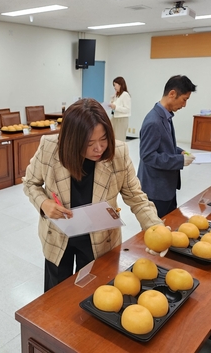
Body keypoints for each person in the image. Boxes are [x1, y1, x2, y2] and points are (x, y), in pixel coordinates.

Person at [23, 98, 163, 292]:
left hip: (100, 240)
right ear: (72, 141)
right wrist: (44, 203)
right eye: (89, 143)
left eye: (104, 138)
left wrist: (154, 227)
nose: (99, 148)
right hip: (58, 236)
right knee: (56, 298)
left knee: (94, 295)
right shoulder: (50, 147)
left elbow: (136, 197)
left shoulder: (118, 153)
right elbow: (30, 182)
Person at [137, 75, 197, 218]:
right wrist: (179, 161)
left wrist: (180, 152)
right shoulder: (154, 121)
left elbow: (164, 144)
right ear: (172, 94)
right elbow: (148, 156)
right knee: (156, 232)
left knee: (170, 223)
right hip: (155, 189)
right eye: (184, 99)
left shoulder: (165, 116)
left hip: (166, 187)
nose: (184, 105)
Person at [108, 76, 131, 142]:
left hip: (121, 119)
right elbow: (113, 105)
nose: (114, 87)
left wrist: (115, 107)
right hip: (115, 117)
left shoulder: (125, 95)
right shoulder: (117, 95)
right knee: (111, 136)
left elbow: (127, 109)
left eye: (115, 85)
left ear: (120, 85)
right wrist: (112, 99)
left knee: (119, 139)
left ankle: (120, 152)